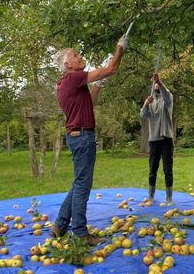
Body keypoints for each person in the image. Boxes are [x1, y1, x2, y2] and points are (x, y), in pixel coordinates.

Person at [49, 35, 128, 245]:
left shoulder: (68, 83)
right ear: (67, 64)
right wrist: (119, 48)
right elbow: (111, 68)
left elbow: (89, 102)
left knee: (79, 182)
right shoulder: (73, 78)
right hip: (82, 136)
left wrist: (99, 84)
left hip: (77, 136)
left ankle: (59, 225)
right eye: (76, 55)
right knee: (83, 185)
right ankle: (81, 233)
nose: (80, 56)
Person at [140, 73, 174, 204]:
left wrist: (159, 81)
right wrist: (146, 105)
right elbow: (143, 115)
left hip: (166, 139)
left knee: (168, 169)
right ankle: (151, 196)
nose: (157, 86)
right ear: (153, 88)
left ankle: (169, 197)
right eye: (155, 84)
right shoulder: (149, 100)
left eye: (158, 85)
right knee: (152, 169)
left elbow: (166, 95)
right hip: (153, 140)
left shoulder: (167, 98)